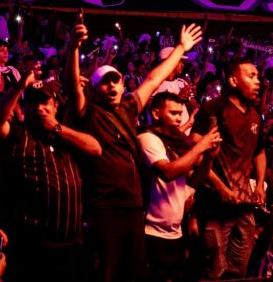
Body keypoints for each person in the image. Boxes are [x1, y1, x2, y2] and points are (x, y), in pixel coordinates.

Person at [68, 22, 203, 282]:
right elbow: (73, 85)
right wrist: (73, 48)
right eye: (105, 83)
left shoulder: (129, 107)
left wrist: (181, 48)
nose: (111, 87)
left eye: (115, 81)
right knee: (105, 273)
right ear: (94, 90)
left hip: (133, 206)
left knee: (136, 274)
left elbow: (154, 79)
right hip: (103, 207)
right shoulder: (88, 113)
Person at [0, 55, 101, 282]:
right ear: (24, 106)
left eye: (44, 102)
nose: (39, 108)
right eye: (32, 103)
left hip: (70, 247)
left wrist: (57, 128)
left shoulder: (65, 135)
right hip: (32, 248)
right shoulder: (18, 134)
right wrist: (20, 86)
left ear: (55, 105)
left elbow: (95, 148)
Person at [191, 58, 266, 279]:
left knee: (239, 269)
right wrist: (221, 187)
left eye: (258, 76)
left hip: (244, 205)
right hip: (215, 205)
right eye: (251, 76)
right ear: (233, 80)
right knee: (213, 270)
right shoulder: (214, 109)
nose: (258, 81)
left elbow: (259, 151)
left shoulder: (254, 113)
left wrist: (260, 183)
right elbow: (196, 151)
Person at [138, 91, 222, 282]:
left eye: (180, 114)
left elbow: (193, 183)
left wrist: (209, 157)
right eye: (173, 113)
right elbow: (168, 172)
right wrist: (200, 147)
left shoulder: (177, 143)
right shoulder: (148, 138)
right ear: (157, 113)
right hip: (150, 230)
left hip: (175, 230)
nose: (178, 118)